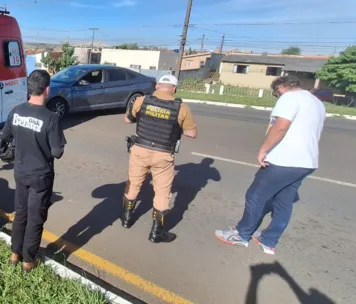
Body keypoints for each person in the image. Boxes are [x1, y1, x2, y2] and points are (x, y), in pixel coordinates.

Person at [215, 75, 325, 255]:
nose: (277, 97)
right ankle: (269, 240)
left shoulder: (289, 98)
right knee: (283, 201)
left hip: (284, 160)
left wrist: (263, 150)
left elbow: (281, 126)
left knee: (255, 195)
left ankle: (242, 234)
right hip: (307, 161)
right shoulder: (316, 102)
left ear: (281, 87)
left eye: (276, 93)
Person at [0, 69, 66, 272]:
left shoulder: (16, 111)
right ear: (47, 90)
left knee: (20, 214)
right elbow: (57, 152)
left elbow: (6, 136)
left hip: (20, 172)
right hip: (40, 175)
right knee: (35, 217)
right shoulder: (51, 118)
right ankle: (28, 261)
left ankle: (14, 254)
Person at [122, 74, 198, 243]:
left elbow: (127, 120)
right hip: (163, 155)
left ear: (157, 86)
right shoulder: (181, 107)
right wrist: (176, 128)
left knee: (133, 184)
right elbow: (192, 133)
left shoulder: (141, 100)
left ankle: (126, 220)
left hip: (140, 150)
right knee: (162, 193)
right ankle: (157, 233)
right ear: (174, 89)